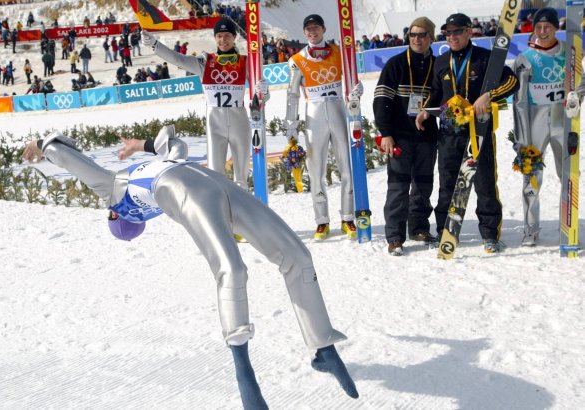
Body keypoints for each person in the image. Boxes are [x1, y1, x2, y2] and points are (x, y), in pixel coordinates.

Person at [21, 125, 359, 409]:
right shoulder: (111, 192)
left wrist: (140, 145)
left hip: (204, 180)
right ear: (118, 214)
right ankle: (246, 372)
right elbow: (67, 154)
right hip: (189, 185)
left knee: (292, 257)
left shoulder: (128, 189)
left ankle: (324, 349)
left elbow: (172, 144)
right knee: (238, 267)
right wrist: (40, 146)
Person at [415, 13, 519, 253]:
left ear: (469, 31)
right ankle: (446, 232)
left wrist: (488, 95)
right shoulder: (442, 62)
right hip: (449, 132)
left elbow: (512, 81)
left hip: (479, 131)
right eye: (448, 33)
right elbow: (434, 92)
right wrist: (425, 111)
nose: (452, 37)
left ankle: (490, 235)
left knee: (484, 184)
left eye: (457, 31)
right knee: (448, 184)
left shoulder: (486, 58)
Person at [142, 17, 268, 190]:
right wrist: (155, 45)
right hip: (215, 124)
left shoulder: (245, 62)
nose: (223, 40)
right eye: (219, 36)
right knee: (216, 178)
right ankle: (222, 215)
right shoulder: (204, 62)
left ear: (234, 37)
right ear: (215, 38)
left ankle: (242, 215)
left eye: (227, 36)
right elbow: (178, 59)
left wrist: (264, 91)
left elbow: (261, 100)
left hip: (239, 121)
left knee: (241, 179)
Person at [284, 14, 363, 241]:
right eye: (308, 29)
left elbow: (351, 80)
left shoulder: (340, 52)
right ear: (304, 32)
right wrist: (291, 125)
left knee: (346, 166)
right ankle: (322, 221)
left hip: (338, 111)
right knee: (315, 170)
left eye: (316, 27)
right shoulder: (297, 60)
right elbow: (292, 95)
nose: (312, 32)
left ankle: (348, 218)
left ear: (323, 29)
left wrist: (357, 90)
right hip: (314, 115)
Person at [373, 17, 439, 255]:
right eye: (412, 35)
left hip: (427, 137)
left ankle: (419, 227)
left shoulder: (438, 65)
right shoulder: (396, 64)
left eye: (422, 35)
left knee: (423, 185)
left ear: (431, 37)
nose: (417, 39)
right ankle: (394, 236)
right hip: (400, 136)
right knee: (398, 187)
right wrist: (386, 134)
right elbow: (381, 100)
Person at [512, 8, 566, 246]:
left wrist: (576, 99)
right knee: (532, 175)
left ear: (556, 28)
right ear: (533, 29)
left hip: (563, 120)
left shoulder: (569, 53)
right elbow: (519, 101)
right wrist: (521, 136)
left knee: (568, 174)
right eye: (539, 27)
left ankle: (569, 223)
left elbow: (581, 82)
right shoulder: (525, 58)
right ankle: (530, 229)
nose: (543, 31)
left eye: (548, 27)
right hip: (535, 122)